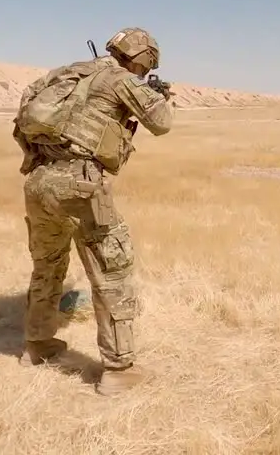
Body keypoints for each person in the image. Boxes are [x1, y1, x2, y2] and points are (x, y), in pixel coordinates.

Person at [10, 26, 174, 396]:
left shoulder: (69, 72)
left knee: (48, 266)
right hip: (81, 185)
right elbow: (162, 123)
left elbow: (26, 103)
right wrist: (157, 96)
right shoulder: (121, 80)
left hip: (39, 182)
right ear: (143, 58)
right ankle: (119, 369)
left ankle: (38, 346)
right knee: (112, 272)